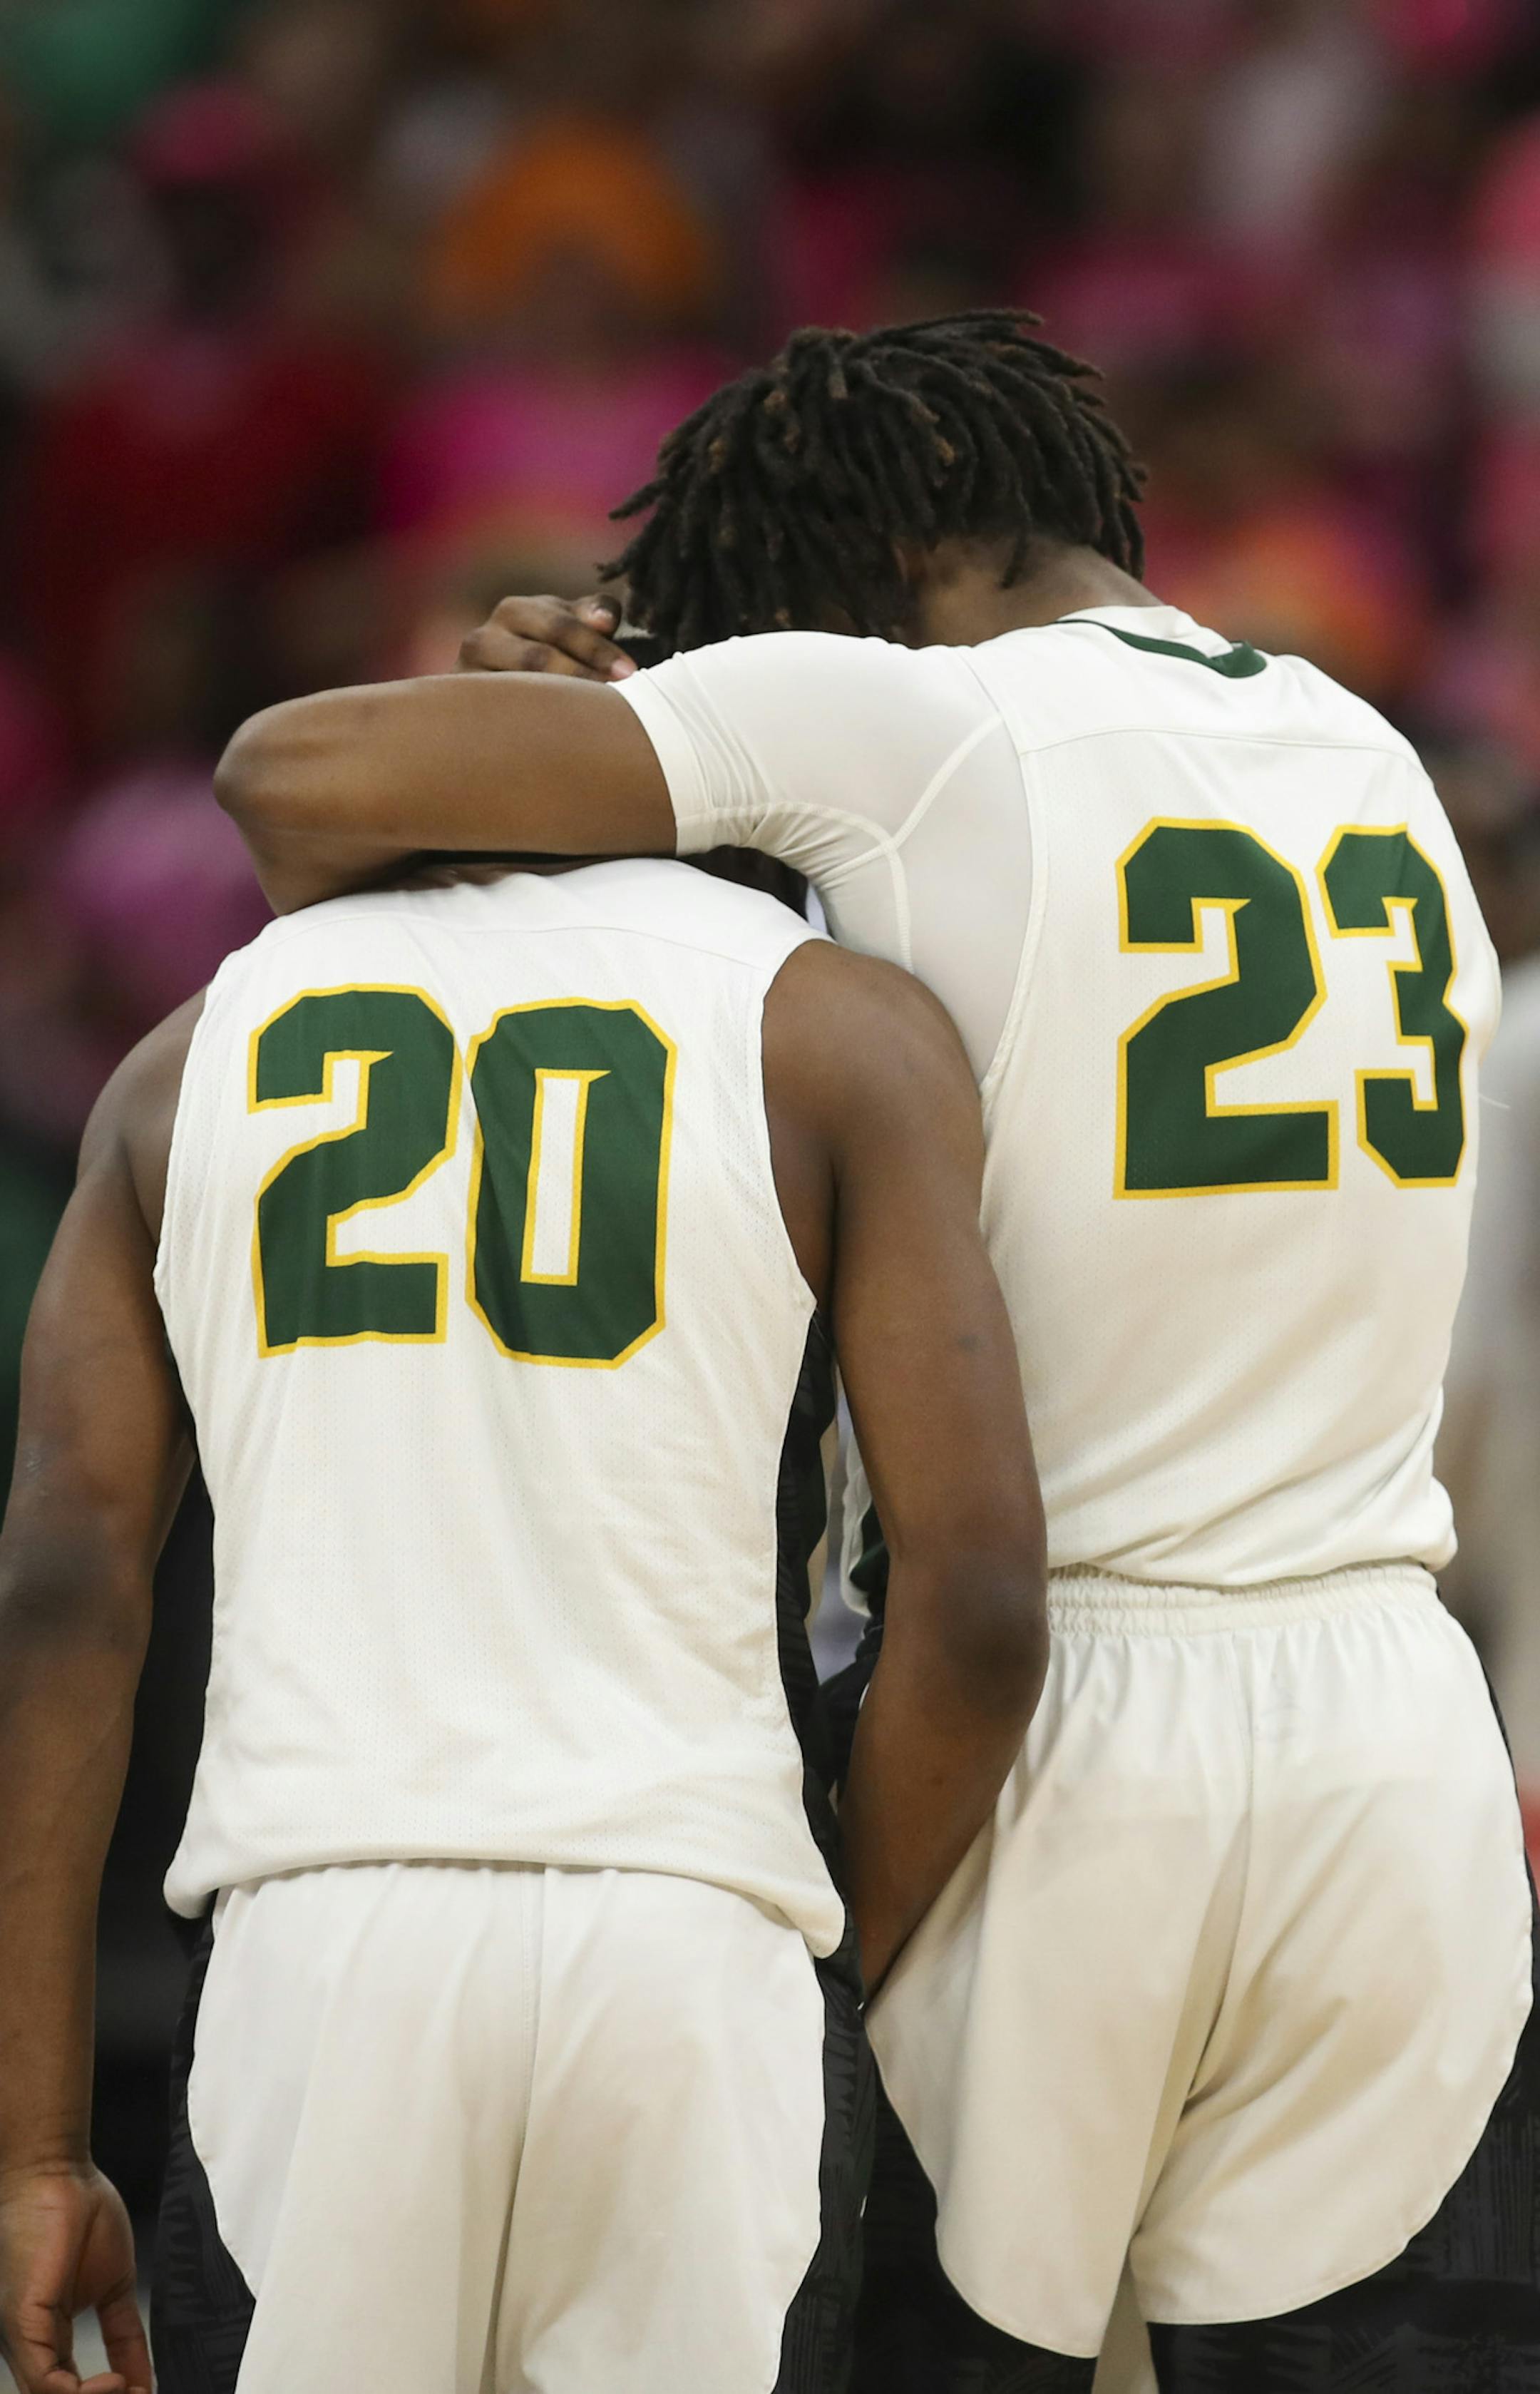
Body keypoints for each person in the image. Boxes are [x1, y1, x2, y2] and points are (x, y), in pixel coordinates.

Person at [214, 311, 1538, 2386]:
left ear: (897, 535)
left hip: (1049, 1731)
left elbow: (297, 787)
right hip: (1395, 1739)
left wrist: (585, 707)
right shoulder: (1372, 748)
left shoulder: (907, 718)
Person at [0, 851, 1047, 2394]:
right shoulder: (820, 1019)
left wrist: (36, 2148)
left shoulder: (194, 1045)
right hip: (693, 1930)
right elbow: (981, 1611)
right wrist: (838, 1953)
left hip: (324, 1938)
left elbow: (63, 1583)